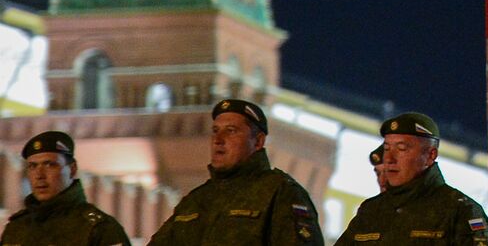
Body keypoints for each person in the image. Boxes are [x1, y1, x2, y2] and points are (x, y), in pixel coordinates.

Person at [149, 98, 322, 245]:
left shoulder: (280, 194)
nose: (218, 140)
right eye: (215, 131)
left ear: (258, 141)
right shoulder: (195, 201)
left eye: (231, 131)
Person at [335, 111, 488, 246]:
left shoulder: (459, 211)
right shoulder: (371, 211)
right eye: (387, 148)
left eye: (401, 149)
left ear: (430, 156)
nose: (389, 158)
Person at [0, 131, 131, 245]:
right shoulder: (16, 227)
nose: (39, 175)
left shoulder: (98, 228)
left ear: (72, 170)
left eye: (50, 165)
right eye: (33, 166)